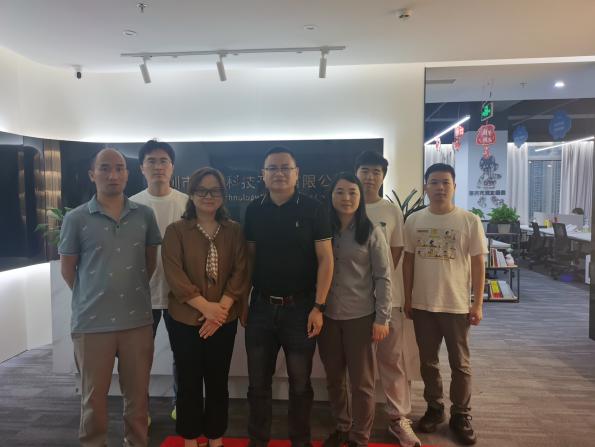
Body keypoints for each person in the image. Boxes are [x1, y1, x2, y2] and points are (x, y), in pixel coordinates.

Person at [59, 148, 162, 447]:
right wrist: (94, 294)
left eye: (119, 168)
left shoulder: (144, 215)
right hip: (92, 324)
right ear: (92, 174)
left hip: (137, 321)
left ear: (128, 174)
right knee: (93, 399)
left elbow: (149, 263)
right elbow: (68, 270)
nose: (113, 174)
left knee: (138, 397)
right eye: (105, 168)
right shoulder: (76, 218)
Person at [243, 146, 334, 447]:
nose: (279, 173)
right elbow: (249, 258)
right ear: (263, 175)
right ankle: (258, 441)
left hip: (301, 308)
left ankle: (300, 441)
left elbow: (326, 259)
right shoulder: (254, 209)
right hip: (260, 307)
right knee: (257, 384)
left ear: (297, 174)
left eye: (285, 167)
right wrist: (243, 301)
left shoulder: (314, 208)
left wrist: (319, 306)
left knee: (300, 384)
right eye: (272, 168)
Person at [162, 167, 250, 447]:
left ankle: (215, 437)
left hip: (224, 319)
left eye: (215, 191)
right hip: (184, 319)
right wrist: (206, 309)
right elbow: (175, 275)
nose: (209, 196)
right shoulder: (176, 231)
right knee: (188, 382)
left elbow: (240, 272)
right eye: (202, 190)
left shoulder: (234, 230)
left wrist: (219, 311)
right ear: (191, 194)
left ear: (223, 195)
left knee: (217, 382)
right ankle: (189, 438)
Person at [403, 163, 487, 446]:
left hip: (456, 305)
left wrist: (477, 303)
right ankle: (435, 408)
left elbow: (479, 264)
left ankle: (461, 414)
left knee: (460, 363)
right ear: (426, 186)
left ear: (454, 186)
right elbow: (408, 262)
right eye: (434, 182)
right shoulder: (414, 220)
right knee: (428, 362)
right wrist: (408, 298)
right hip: (423, 304)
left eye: (445, 182)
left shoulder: (469, 220)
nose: (440, 187)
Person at [318, 173, 392, 447]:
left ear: (360, 197)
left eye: (352, 192)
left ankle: (360, 437)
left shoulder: (371, 232)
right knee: (334, 379)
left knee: (362, 383)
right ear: (331, 196)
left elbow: (383, 277)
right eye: (339, 192)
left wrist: (382, 318)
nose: (346, 198)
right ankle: (342, 426)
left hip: (360, 317)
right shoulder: (321, 229)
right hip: (327, 316)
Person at [354, 151, 422, 447]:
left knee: (392, 360)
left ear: (383, 177)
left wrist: (378, 284)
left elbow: (396, 252)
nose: (370, 177)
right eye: (365, 171)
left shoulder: (391, 210)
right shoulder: (345, 206)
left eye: (376, 172)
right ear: (356, 173)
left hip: (387, 301)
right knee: (357, 363)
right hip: (352, 303)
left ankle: (398, 418)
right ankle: (357, 419)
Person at [130, 139, 187, 421]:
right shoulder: (131, 205)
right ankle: (141, 411)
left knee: (183, 355)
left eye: (163, 161)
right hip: (142, 295)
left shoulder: (187, 203)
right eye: (151, 161)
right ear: (141, 167)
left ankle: (182, 404)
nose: (158, 166)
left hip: (180, 295)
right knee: (140, 358)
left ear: (172, 167)